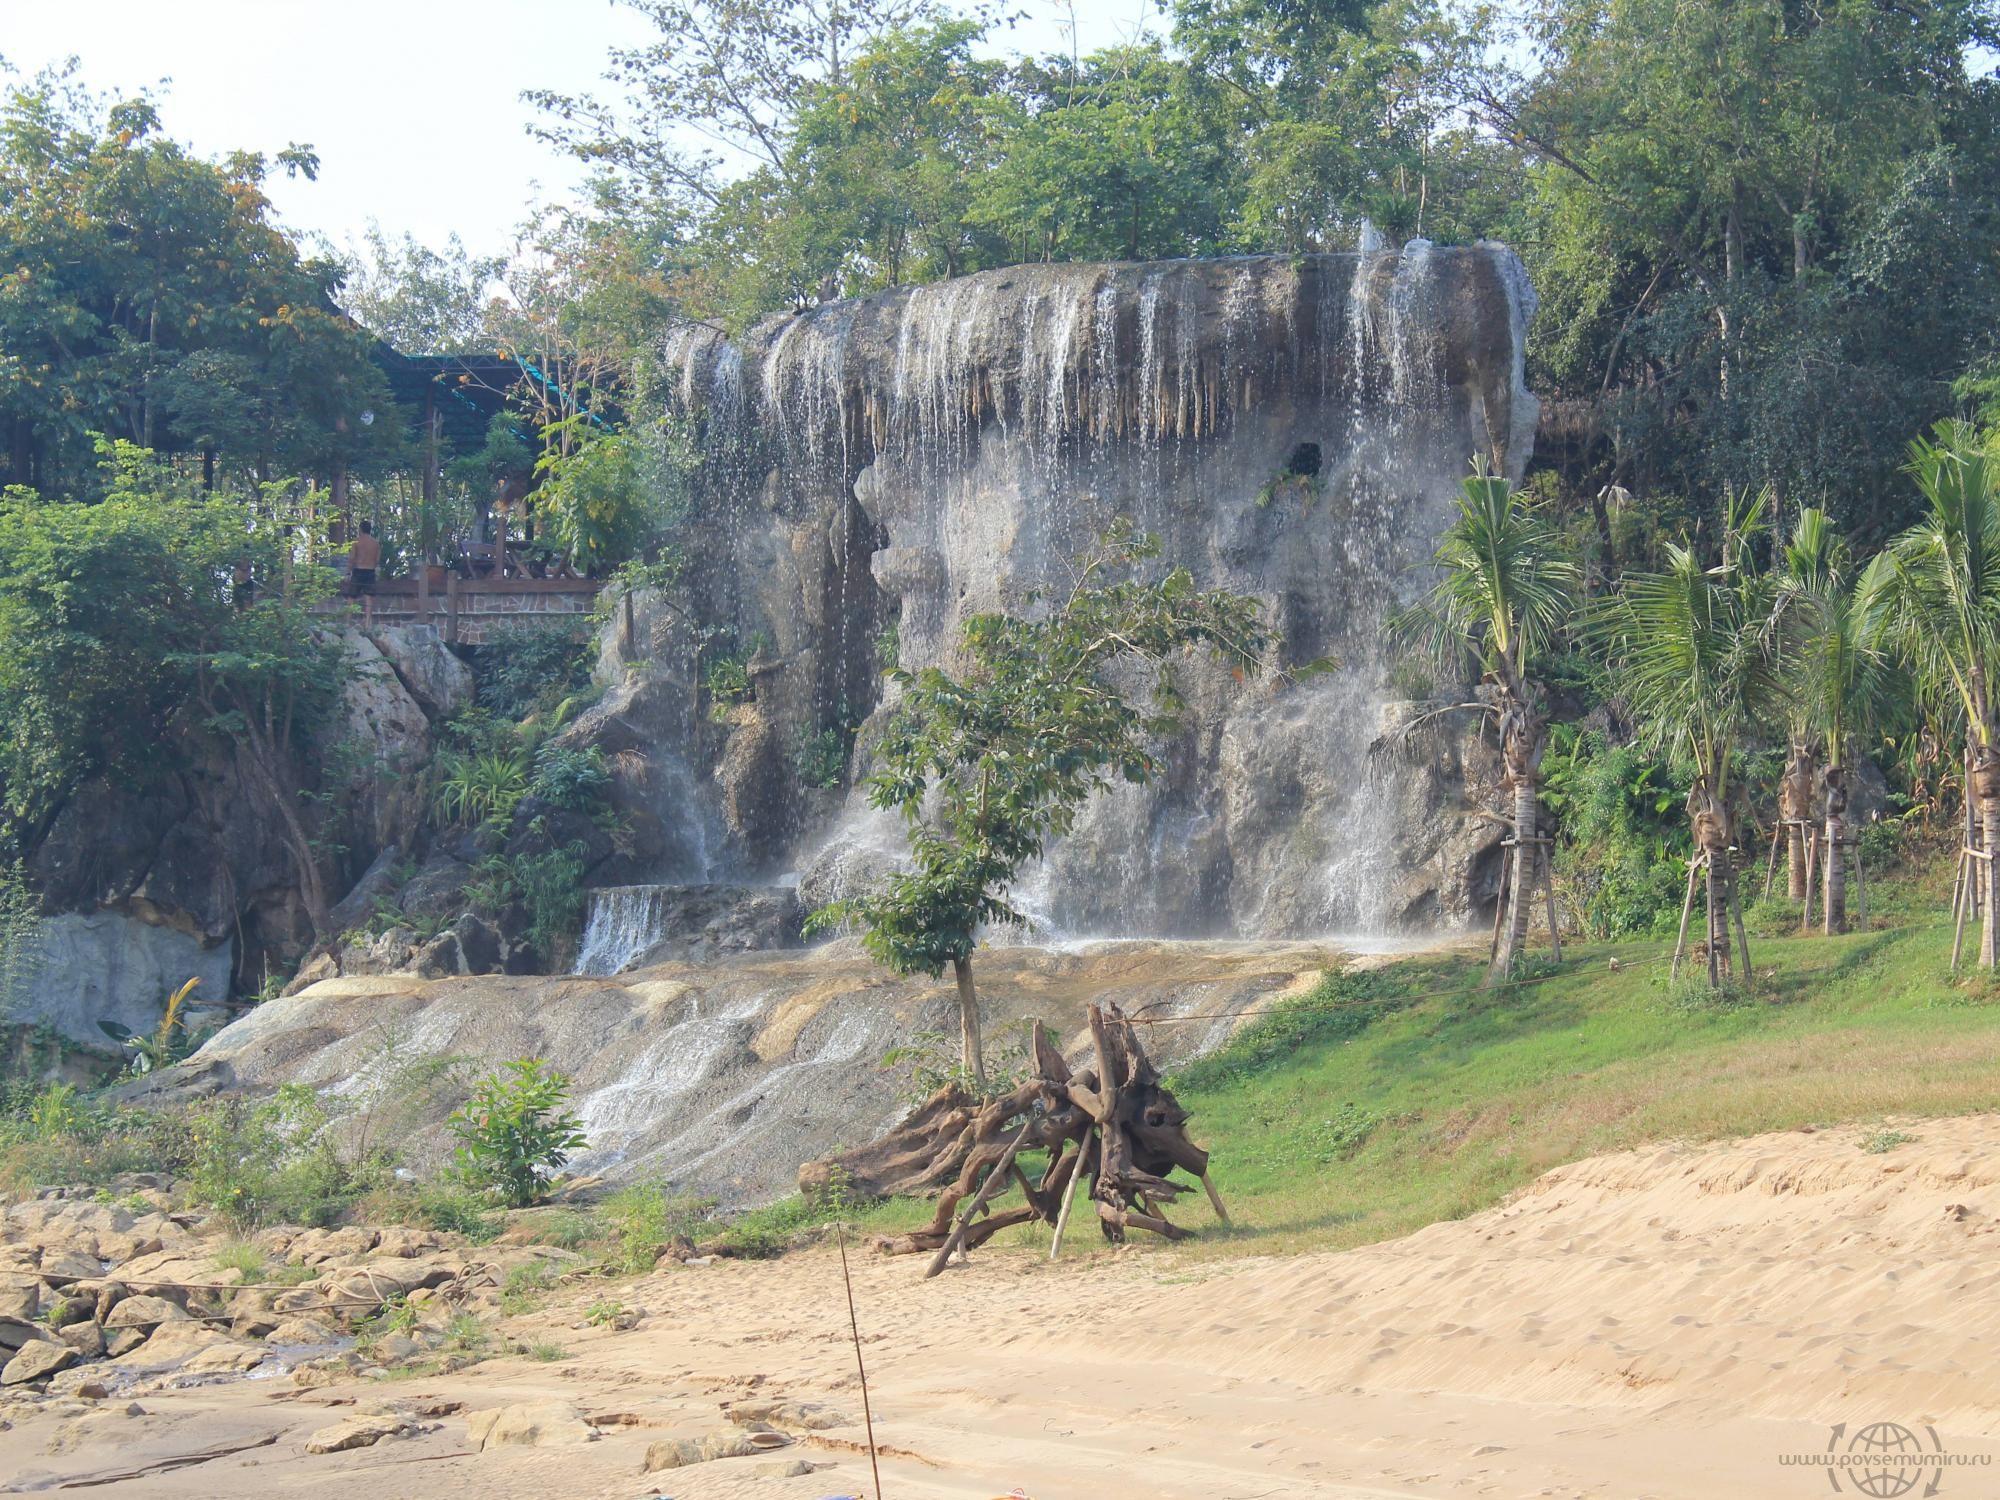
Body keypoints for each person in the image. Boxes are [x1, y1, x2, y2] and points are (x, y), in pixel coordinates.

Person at [349, 520, 381, 597]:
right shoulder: (376, 543)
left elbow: (352, 558)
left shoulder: (356, 542)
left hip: (358, 571)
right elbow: (377, 560)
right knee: (369, 596)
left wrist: (348, 572)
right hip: (370, 571)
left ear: (360, 529)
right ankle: (368, 609)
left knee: (352, 596)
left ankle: (350, 609)